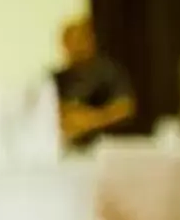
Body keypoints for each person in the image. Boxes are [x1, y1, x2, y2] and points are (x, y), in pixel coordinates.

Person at [54, 17, 136, 145]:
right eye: (71, 41)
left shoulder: (108, 73)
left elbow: (125, 107)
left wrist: (93, 119)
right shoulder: (58, 78)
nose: (77, 47)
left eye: (81, 40)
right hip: (66, 149)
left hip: (104, 145)